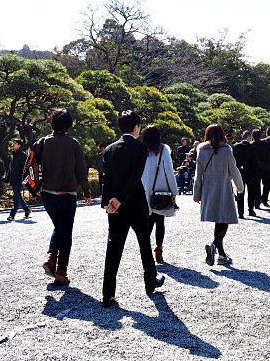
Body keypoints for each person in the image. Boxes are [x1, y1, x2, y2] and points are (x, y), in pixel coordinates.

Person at [101, 110, 164, 307]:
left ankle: (107, 294)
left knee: (114, 248)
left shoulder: (110, 149)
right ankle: (150, 280)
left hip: (115, 208)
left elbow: (106, 179)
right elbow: (134, 178)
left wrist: (108, 203)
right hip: (135, 204)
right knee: (144, 243)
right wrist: (119, 199)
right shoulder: (140, 148)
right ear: (136, 127)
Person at [36, 109, 92, 286]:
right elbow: (81, 171)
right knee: (65, 232)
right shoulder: (73, 144)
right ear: (69, 125)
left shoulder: (42, 142)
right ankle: (61, 271)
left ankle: (51, 257)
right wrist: (87, 190)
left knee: (59, 226)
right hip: (67, 194)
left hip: (48, 195)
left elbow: (33, 167)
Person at [194, 124, 245, 265]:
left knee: (219, 221)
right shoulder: (226, 150)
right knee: (223, 220)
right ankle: (214, 246)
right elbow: (234, 170)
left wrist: (196, 194)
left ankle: (221, 254)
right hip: (223, 189)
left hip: (208, 190)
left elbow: (198, 175)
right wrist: (240, 187)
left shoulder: (201, 150)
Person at [141, 125, 178, 263]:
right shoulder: (163, 150)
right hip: (161, 190)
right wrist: (174, 191)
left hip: (145, 189)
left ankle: (145, 250)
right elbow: (169, 171)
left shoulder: (141, 149)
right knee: (160, 221)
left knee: (148, 221)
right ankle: (159, 249)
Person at [232, 130, 258, 217]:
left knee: (240, 191)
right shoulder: (252, 146)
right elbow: (255, 161)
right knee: (251, 192)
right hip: (250, 172)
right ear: (249, 137)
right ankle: (251, 210)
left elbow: (233, 160)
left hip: (239, 171)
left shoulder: (235, 146)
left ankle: (240, 212)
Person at [7, 139, 32, 221]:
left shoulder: (23, 156)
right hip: (13, 179)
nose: (13, 144)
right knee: (18, 196)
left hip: (19, 179)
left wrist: (25, 180)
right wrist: (8, 179)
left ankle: (12, 214)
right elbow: (10, 169)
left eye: (15, 143)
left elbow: (26, 169)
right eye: (13, 143)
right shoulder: (13, 155)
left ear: (19, 145)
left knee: (16, 197)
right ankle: (27, 209)